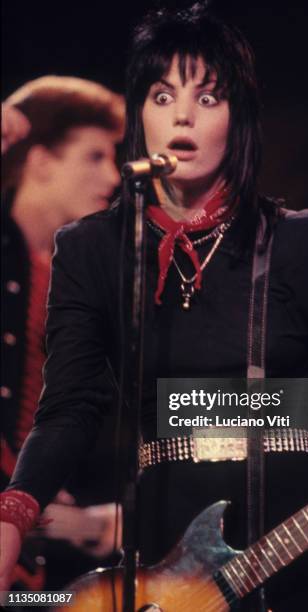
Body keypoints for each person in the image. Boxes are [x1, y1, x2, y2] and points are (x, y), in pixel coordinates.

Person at [0, 8, 308, 611]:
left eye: (208, 97)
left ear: (238, 117)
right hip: (167, 563)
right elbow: (69, 407)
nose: (182, 115)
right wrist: (12, 515)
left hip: (297, 555)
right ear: (140, 115)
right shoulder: (90, 249)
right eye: (162, 95)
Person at [1, 76, 125, 589]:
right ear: (42, 160)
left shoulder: (69, 278)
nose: (114, 177)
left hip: (31, 573)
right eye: (94, 157)